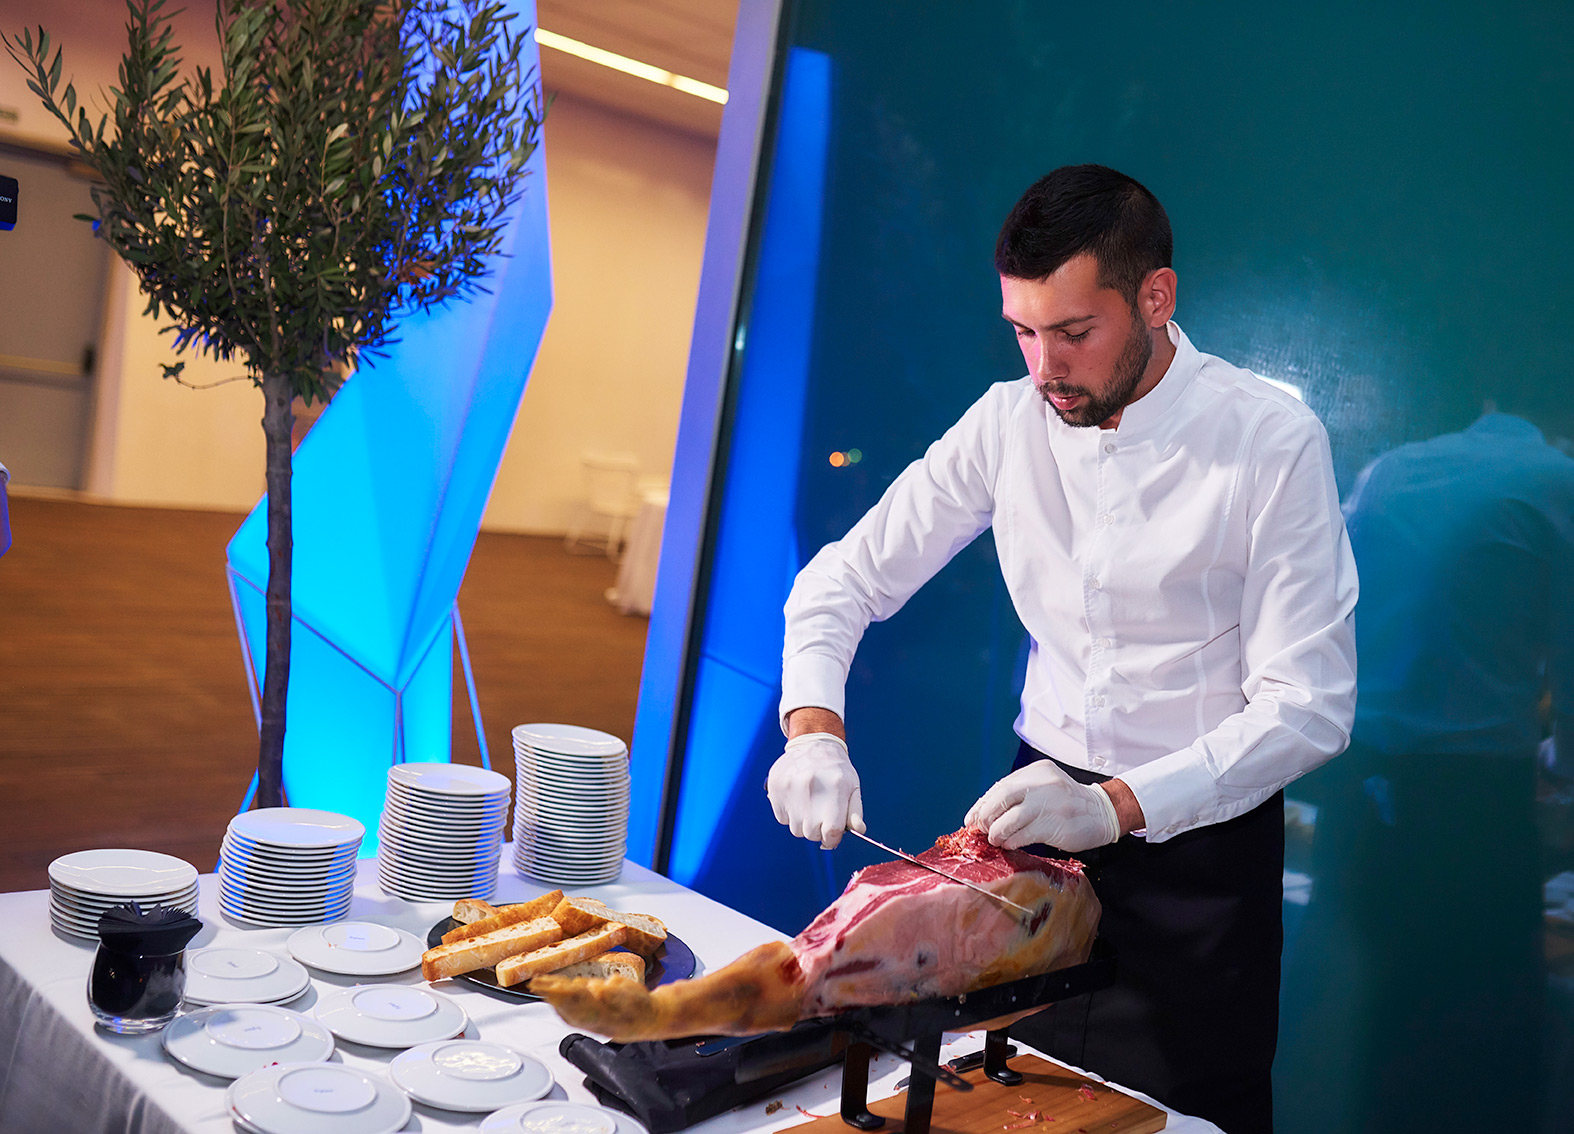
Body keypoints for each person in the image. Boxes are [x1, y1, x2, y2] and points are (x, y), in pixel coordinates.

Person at [765, 165, 1358, 1134]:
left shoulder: (1269, 439)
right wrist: (813, 730)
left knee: (1176, 1117)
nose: (1044, 368)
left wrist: (1112, 805)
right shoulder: (1007, 421)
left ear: (1155, 297)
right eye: (1022, 332)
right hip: (1032, 828)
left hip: (1199, 853)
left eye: (1074, 332)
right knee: (1009, 1101)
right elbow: (842, 580)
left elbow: (1308, 704)